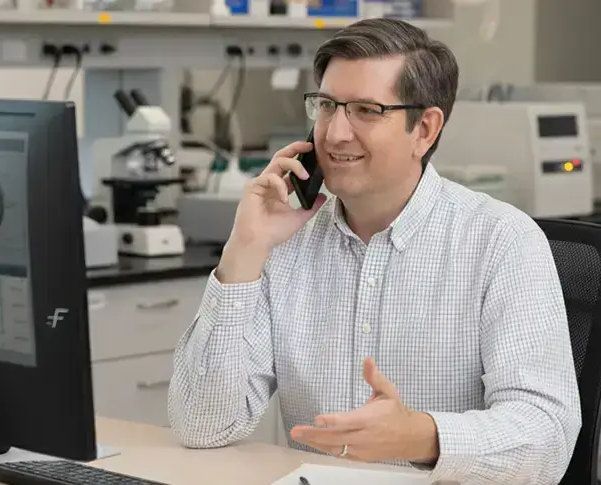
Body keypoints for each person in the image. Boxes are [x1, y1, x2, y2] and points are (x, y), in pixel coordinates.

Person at [166, 17, 581, 485]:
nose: (335, 133)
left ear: (424, 128)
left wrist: (421, 437)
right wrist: (244, 249)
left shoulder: (502, 242)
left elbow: (547, 439)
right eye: (327, 106)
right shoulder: (285, 240)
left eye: (365, 110)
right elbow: (201, 426)